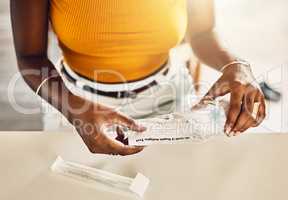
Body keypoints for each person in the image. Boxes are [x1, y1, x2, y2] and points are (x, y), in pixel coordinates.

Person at [10, 0, 265, 155]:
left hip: (167, 97)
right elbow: (30, 56)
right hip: (73, 102)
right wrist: (72, 107)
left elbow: (201, 34)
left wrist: (236, 64)